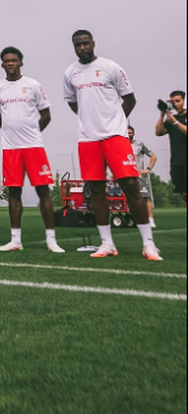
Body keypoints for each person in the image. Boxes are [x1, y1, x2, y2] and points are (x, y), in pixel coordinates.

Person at [63, 29, 160, 260]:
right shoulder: (70, 73)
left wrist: (114, 122)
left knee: (131, 186)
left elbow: (130, 99)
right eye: (77, 45)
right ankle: (107, 244)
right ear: (73, 46)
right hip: (87, 139)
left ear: (93, 43)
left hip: (115, 137)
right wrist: (90, 120)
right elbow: (72, 103)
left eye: (85, 43)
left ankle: (148, 244)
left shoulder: (110, 67)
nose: (82, 48)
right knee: (96, 191)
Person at [0, 46, 64, 253]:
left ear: (21, 62)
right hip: (11, 149)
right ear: (2, 64)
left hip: (33, 147)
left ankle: (51, 240)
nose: (10, 64)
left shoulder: (32, 85)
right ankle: (15, 240)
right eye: (6, 61)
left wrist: (33, 133)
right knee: (13, 193)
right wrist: (12, 134)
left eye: (14, 60)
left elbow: (46, 114)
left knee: (43, 191)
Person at [154, 90, 187, 205]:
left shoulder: (176, 120)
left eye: (178, 101)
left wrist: (175, 122)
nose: (175, 104)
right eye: (173, 102)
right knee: (183, 193)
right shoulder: (172, 119)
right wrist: (162, 114)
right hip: (176, 161)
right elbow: (158, 132)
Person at [128, 125, 157, 227]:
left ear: (133, 133)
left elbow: (153, 156)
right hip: (127, 176)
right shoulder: (121, 145)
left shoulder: (139, 144)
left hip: (139, 176)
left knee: (146, 198)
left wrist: (148, 169)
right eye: (127, 133)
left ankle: (150, 220)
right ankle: (137, 219)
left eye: (130, 133)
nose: (128, 134)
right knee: (131, 198)